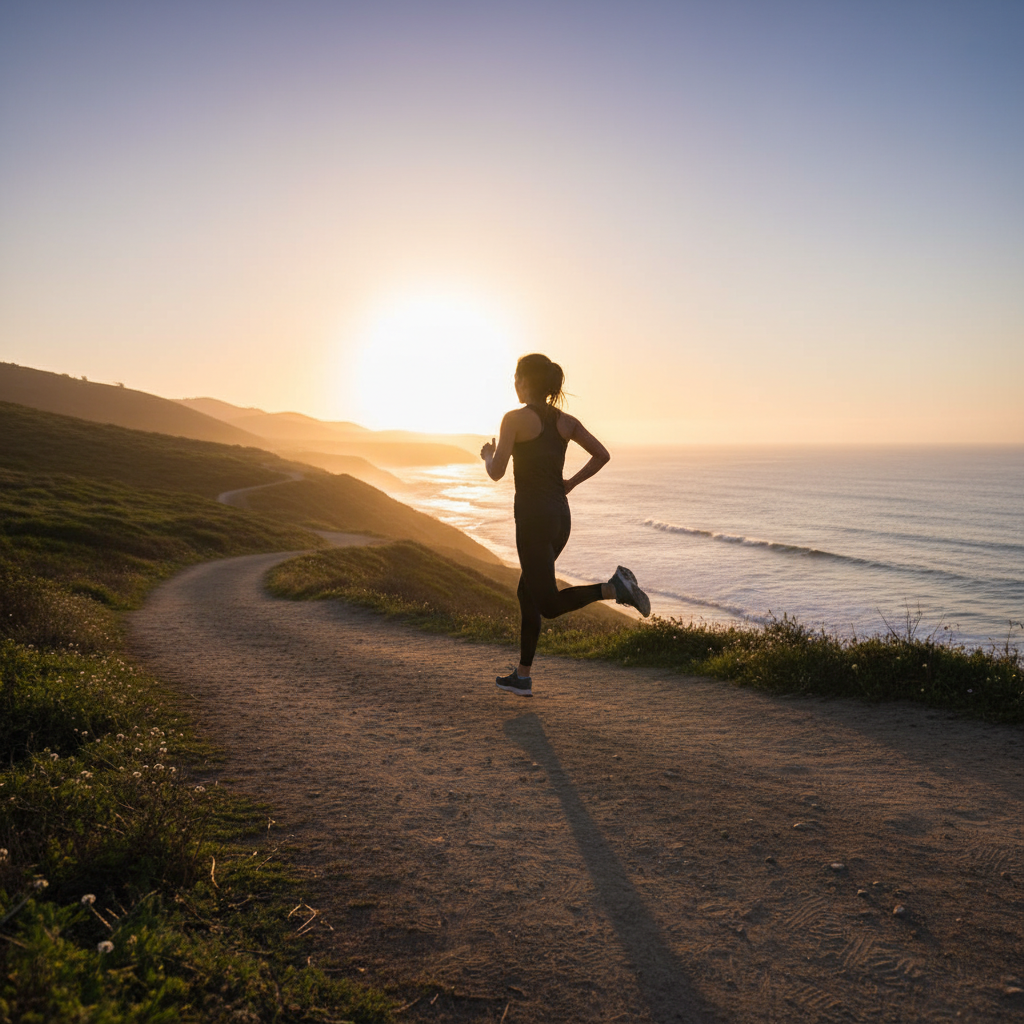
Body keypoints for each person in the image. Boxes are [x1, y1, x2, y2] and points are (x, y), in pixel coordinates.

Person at [480, 353, 650, 697]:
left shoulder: (513, 419)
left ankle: (614, 588)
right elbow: (601, 454)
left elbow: (497, 472)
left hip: (532, 519)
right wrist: (569, 483)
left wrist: (486, 454)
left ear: (525, 381)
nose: (513, 383)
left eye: (516, 377)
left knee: (547, 604)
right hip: (560, 517)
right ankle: (522, 677)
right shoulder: (566, 422)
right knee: (527, 592)